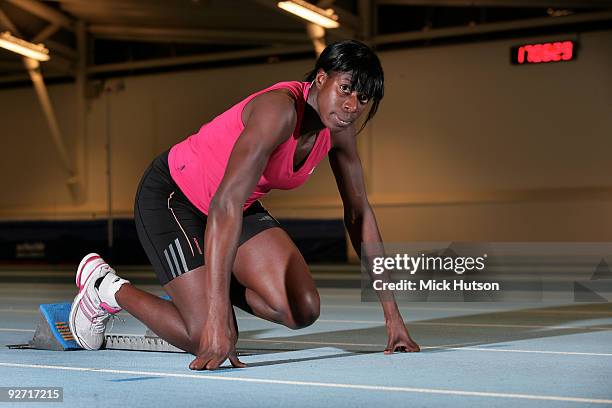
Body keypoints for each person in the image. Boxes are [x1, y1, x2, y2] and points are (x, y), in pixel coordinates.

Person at [69, 39, 420, 371]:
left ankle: (203, 285)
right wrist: (217, 313)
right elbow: (224, 203)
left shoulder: (338, 130)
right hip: (175, 198)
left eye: (363, 99)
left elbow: (359, 214)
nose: (351, 105)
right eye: (346, 89)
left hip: (236, 204)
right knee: (208, 336)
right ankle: (107, 288)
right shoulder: (278, 111)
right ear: (321, 78)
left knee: (303, 308)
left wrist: (392, 316)